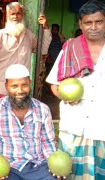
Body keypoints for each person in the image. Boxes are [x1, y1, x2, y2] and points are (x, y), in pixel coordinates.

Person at [46, 0, 105, 179]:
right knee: (72, 174)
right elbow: (55, 84)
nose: (93, 27)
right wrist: (65, 96)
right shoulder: (70, 48)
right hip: (75, 126)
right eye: (88, 22)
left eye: (99, 22)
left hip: (102, 126)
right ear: (80, 24)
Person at [0, 64, 56, 180]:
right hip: (7, 167)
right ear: (6, 86)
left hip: (38, 166)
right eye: (14, 86)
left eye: (24, 85)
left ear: (30, 83)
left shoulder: (42, 109)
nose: (20, 91)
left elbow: (48, 143)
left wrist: (55, 165)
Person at [0, 2, 52, 102]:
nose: (15, 16)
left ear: (22, 15)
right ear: (7, 15)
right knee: (1, 117)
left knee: (20, 117)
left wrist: (46, 28)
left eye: (18, 13)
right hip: (1, 88)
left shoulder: (29, 35)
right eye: (12, 14)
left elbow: (43, 50)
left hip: (21, 90)